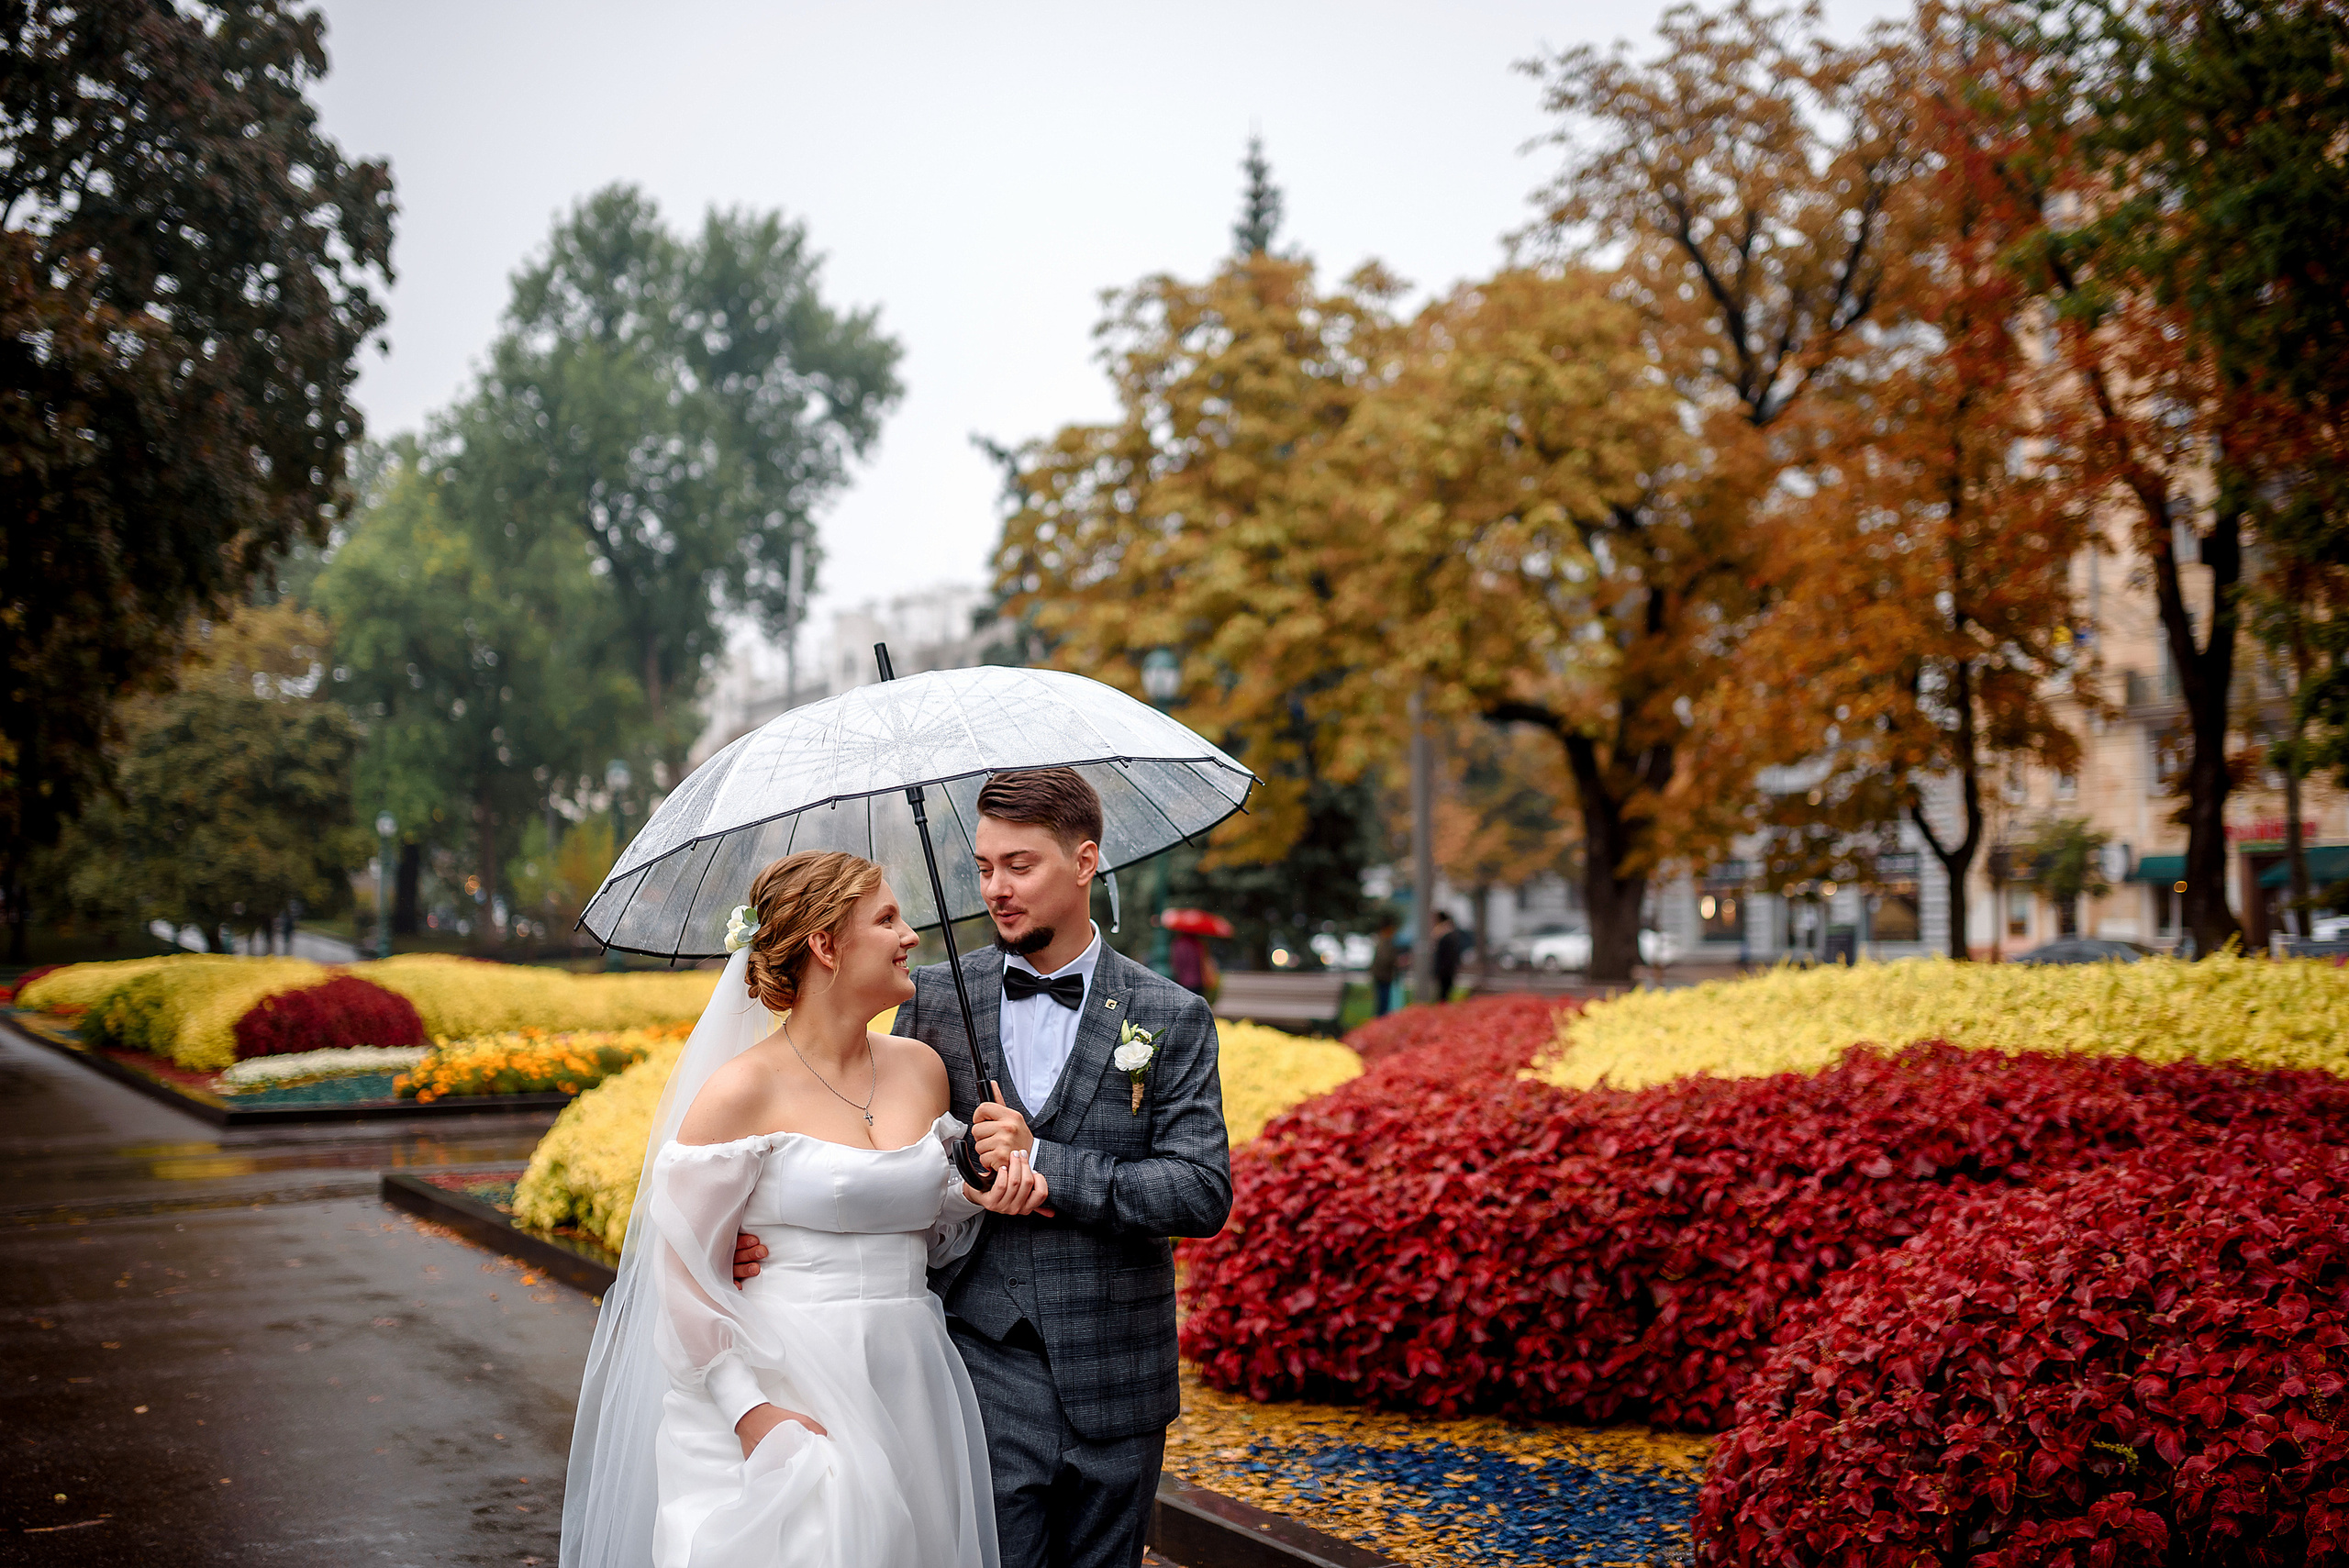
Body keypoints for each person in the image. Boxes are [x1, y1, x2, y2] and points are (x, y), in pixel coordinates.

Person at [732, 768, 1230, 1568]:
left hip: (1119, 1380)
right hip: (975, 1370)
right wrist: (752, 1237)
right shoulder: (929, 996)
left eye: (1020, 865)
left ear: (1084, 861)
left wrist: (1053, 1168)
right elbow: (851, 1145)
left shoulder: (1169, 1015)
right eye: (985, 866)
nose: (996, 888)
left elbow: (1200, 1190)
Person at [559, 850, 1052, 1568]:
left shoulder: (922, 1069)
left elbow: (934, 1233)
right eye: (886, 918)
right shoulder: (741, 1090)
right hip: (782, 1383)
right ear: (824, 945)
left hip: (908, 1373)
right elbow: (679, 1274)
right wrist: (748, 1412)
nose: (910, 935)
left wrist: (983, 1183)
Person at [1431, 910, 1471, 1002]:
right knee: (1444, 993)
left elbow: (1447, 955)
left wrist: (1439, 969)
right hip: (1447, 969)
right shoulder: (1447, 932)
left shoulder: (1445, 933)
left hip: (1445, 970)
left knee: (1443, 994)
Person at [1369, 915, 1400, 1017]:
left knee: (1383, 1002)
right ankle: (1381, 1020)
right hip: (1383, 976)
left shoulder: (1382, 939)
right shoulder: (1385, 941)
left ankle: (1381, 1019)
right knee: (1383, 1003)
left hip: (1382, 975)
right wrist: (1396, 961)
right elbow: (1385, 959)